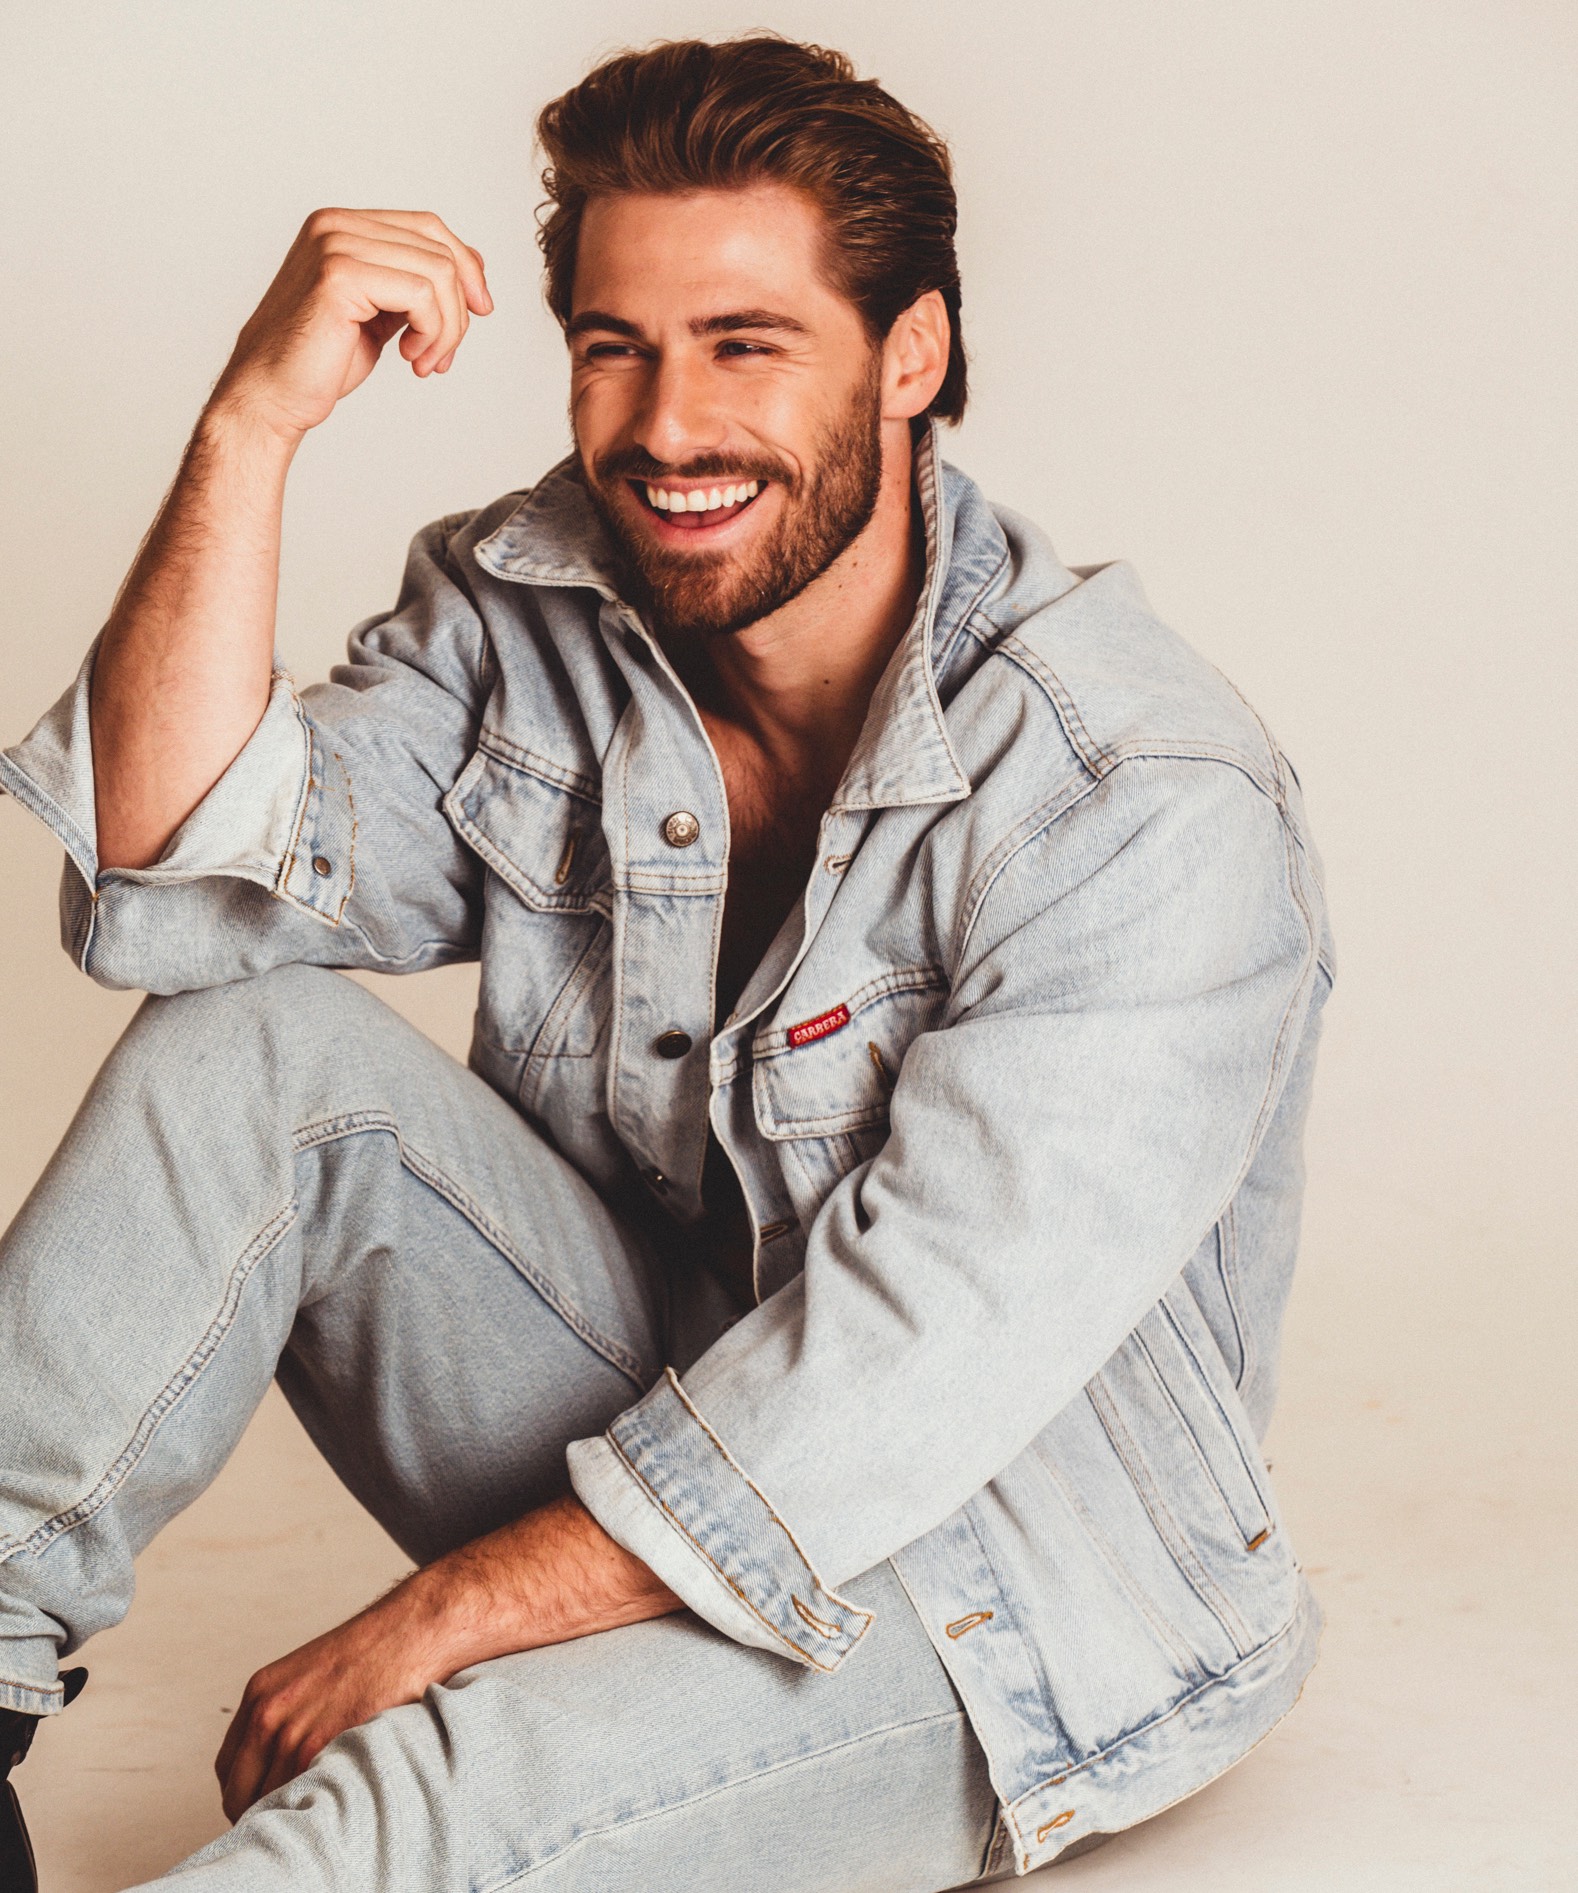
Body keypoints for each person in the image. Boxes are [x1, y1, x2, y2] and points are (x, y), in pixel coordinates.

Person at [0, 33, 1334, 1893]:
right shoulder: (537, 612)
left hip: (1008, 1589)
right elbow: (171, 868)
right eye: (614, 346)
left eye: (744, 344)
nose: (666, 428)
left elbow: (909, 1366)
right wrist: (251, 425)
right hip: (654, 1412)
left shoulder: (1137, 790)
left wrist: (447, 1615)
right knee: (251, 1055)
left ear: (911, 355)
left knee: (408, 1810)